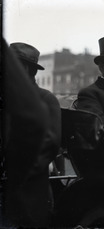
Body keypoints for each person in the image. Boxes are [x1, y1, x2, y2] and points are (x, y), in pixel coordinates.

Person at [1, 40, 60, 227]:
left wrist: (14, 174)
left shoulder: (45, 99)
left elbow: (49, 145)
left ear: (27, 69)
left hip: (29, 194)